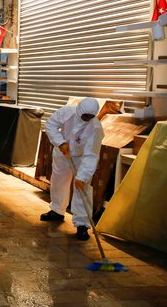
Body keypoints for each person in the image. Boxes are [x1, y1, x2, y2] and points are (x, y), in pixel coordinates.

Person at [40, 97, 104, 241]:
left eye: (90, 116)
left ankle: (82, 224)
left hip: (81, 158)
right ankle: (57, 210)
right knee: (58, 181)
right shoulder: (67, 111)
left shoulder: (95, 129)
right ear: (79, 110)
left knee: (83, 189)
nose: (87, 118)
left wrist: (82, 177)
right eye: (85, 115)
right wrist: (60, 142)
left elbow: (91, 155)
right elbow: (50, 125)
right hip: (63, 152)